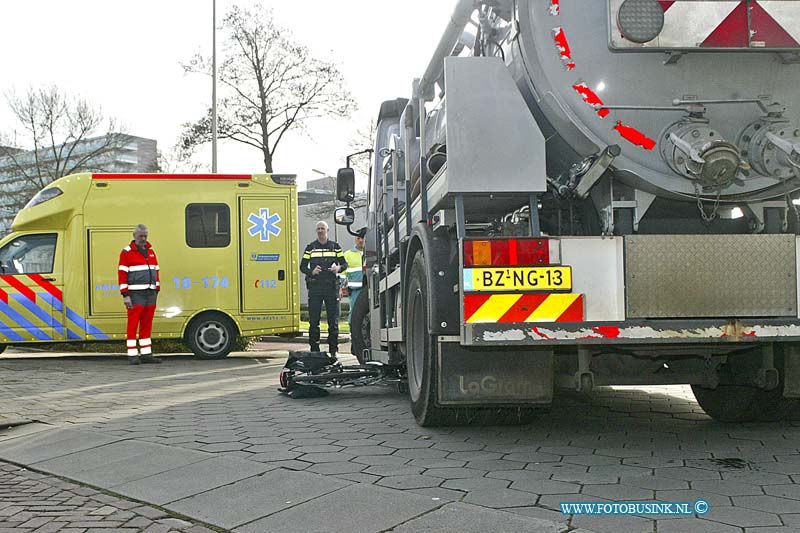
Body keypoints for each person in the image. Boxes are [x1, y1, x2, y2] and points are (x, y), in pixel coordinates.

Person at [300, 221, 347, 359]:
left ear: (328, 230)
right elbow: (302, 267)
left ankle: (333, 350)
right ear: (316, 231)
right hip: (315, 288)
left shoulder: (335, 247)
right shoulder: (310, 248)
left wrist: (338, 268)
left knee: (333, 321)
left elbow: (344, 263)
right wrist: (311, 271)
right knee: (314, 321)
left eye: (322, 229)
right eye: (318, 229)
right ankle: (315, 350)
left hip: (331, 287)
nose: (320, 231)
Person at [118, 224, 161, 365]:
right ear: (134, 236)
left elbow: (156, 270)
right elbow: (122, 274)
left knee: (146, 325)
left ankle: (146, 354)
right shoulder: (126, 252)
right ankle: (132, 355)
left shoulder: (151, 251)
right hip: (135, 294)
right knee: (133, 324)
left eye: (145, 236)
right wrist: (125, 295)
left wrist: (157, 288)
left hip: (150, 293)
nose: (143, 239)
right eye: (140, 236)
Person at [342, 227, 366, 333]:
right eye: (358, 238)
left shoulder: (372, 252)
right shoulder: (347, 255)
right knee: (354, 316)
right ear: (355, 239)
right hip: (355, 291)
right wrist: (340, 289)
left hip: (370, 289)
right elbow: (342, 274)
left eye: (362, 238)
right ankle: (354, 339)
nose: (360, 240)